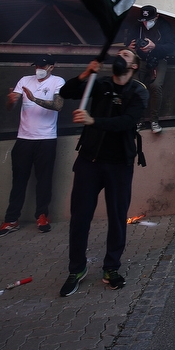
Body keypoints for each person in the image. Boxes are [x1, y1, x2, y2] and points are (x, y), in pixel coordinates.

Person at [58, 49, 148, 296]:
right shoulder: (100, 84)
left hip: (119, 165)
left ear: (134, 66)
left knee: (117, 218)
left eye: (127, 55)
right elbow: (66, 93)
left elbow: (127, 122)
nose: (121, 56)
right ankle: (76, 269)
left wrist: (93, 121)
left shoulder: (138, 91)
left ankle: (111, 268)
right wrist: (86, 72)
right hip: (89, 161)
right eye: (119, 53)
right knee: (80, 218)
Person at [0, 56, 65, 238]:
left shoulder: (58, 81)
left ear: (51, 67)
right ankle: (11, 220)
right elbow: (11, 105)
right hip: (24, 138)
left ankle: (42, 216)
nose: (39, 69)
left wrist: (34, 99)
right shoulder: (25, 80)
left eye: (43, 66)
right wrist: (11, 100)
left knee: (44, 180)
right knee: (18, 180)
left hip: (46, 138)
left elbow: (58, 106)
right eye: (37, 66)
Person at [131, 5, 174, 134]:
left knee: (155, 86)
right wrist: (132, 46)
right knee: (136, 85)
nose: (146, 23)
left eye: (149, 20)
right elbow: (130, 42)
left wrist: (155, 47)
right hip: (141, 59)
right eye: (143, 20)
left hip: (159, 59)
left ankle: (154, 120)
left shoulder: (164, 26)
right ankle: (138, 120)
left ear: (156, 17)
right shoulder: (138, 27)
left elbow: (171, 47)